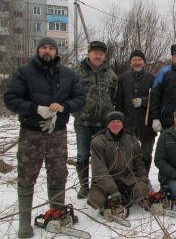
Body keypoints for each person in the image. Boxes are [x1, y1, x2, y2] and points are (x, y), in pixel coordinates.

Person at [4, 37, 86, 238]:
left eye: (51, 48)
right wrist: (35, 109)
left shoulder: (67, 74)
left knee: (58, 173)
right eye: (43, 48)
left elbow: (80, 98)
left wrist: (64, 106)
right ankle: (24, 223)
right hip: (31, 134)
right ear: (38, 50)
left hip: (57, 133)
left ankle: (56, 213)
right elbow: (10, 99)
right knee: (27, 175)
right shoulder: (24, 72)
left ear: (56, 52)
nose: (47, 51)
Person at [73, 41, 118, 199]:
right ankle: (84, 186)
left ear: (104, 56)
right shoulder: (77, 72)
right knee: (83, 155)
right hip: (83, 122)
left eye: (101, 54)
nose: (98, 56)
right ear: (89, 53)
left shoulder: (110, 75)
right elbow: (70, 95)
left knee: (101, 156)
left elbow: (114, 96)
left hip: (103, 124)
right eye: (95, 53)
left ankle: (98, 184)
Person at [87, 111, 150, 214]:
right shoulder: (98, 141)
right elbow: (99, 171)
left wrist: (143, 176)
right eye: (112, 122)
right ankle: (110, 201)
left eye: (118, 121)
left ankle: (125, 198)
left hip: (127, 178)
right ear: (107, 124)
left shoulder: (131, 138)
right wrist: (113, 190)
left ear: (122, 124)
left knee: (143, 189)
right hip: (104, 181)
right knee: (95, 200)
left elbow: (138, 161)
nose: (115, 124)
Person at [115, 50, 157, 174]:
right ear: (130, 62)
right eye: (134, 60)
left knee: (146, 154)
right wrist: (118, 120)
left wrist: (143, 101)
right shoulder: (123, 78)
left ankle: (144, 178)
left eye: (140, 60)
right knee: (127, 153)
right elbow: (119, 101)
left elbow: (156, 98)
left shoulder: (151, 78)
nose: (137, 62)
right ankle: (128, 179)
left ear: (144, 62)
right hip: (128, 123)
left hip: (146, 123)